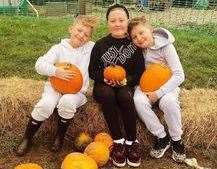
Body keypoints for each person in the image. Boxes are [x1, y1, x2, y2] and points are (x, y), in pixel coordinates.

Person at [15, 15, 98, 156]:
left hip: (76, 92)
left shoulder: (91, 48)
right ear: (71, 29)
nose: (81, 35)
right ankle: (27, 138)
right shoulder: (59, 48)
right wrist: (56, 71)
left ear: (89, 38)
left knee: (67, 103)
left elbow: (107, 45)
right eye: (79, 30)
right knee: (46, 104)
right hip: (55, 88)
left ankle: (59, 136)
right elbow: (39, 64)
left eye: (86, 34)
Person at [88, 4, 144, 168]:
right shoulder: (100, 45)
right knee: (107, 94)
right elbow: (92, 71)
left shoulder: (134, 46)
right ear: (108, 23)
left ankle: (132, 141)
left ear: (127, 22)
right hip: (103, 86)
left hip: (125, 84)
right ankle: (118, 142)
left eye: (121, 20)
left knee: (125, 95)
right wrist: (104, 78)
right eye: (113, 20)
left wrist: (126, 81)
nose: (117, 23)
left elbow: (139, 73)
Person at [128, 16, 186, 162]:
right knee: (138, 101)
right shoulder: (137, 50)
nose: (139, 38)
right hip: (146, 85)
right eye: (134, 37)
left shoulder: (166, 47)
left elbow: (179, 75)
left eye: (141, 33)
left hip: (167, 85)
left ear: (151, 30)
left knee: (169, 102)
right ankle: (162, 137)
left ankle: (176, 139)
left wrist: (158, 93)